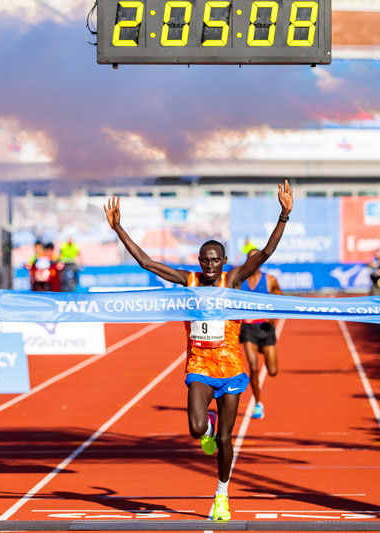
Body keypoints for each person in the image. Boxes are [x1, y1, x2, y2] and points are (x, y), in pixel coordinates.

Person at [104, 180, 293, 521]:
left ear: (223, 261)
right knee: (196, 428)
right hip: (200, 367)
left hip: (232, 370)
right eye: (204, 260)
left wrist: (284, 214)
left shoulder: (232, 280)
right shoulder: (189, 280)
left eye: (214, 260)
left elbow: (264, 254)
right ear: (199, 260)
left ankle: (222, 495)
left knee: (225, 439)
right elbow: (147, 263)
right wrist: (119, 229)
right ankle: (204, 429)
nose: (209, 265)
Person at [238, 249, 282, 419]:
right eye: (250, 259)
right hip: (249, 329)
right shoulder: (240, 281)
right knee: (254, 368)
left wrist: (273, 317)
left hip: (265, 329)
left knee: (272, 371)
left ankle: (262, 349)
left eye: (257, 258)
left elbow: (280, 299)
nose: (253, 262)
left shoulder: (270, 280)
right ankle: (258, 403)